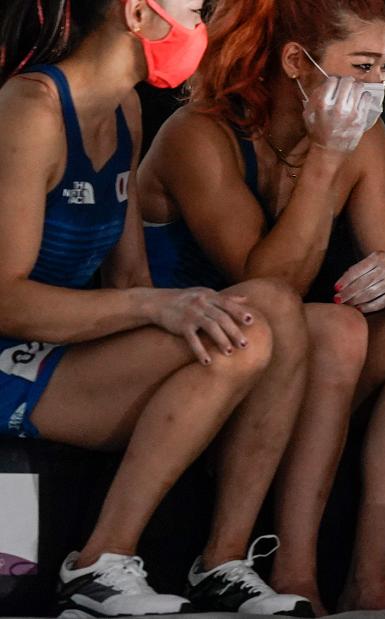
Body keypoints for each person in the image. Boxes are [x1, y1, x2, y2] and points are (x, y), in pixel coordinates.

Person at [0, 0, 315, 616]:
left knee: (272, 304)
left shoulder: (123, 110)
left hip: (58, 347)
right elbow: (6, 300)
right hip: (7, 353)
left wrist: (162, 305)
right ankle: (96, 568)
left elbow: (129, 276)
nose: (203, 29)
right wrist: (156, 306)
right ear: (138, 15)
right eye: (195, 11)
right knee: (240, 337)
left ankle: (223, 563)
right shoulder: (28, 109)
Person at [138, 0, 385, 611]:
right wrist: (326, 158)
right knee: (333, 328)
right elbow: (267, 288)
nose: (375, 86)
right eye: (362, 65)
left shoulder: (367, 140)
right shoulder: (199, 135)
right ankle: (295, 574)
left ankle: (370, 578)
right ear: (296, 63)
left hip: (293, 368)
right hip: (197, 364)